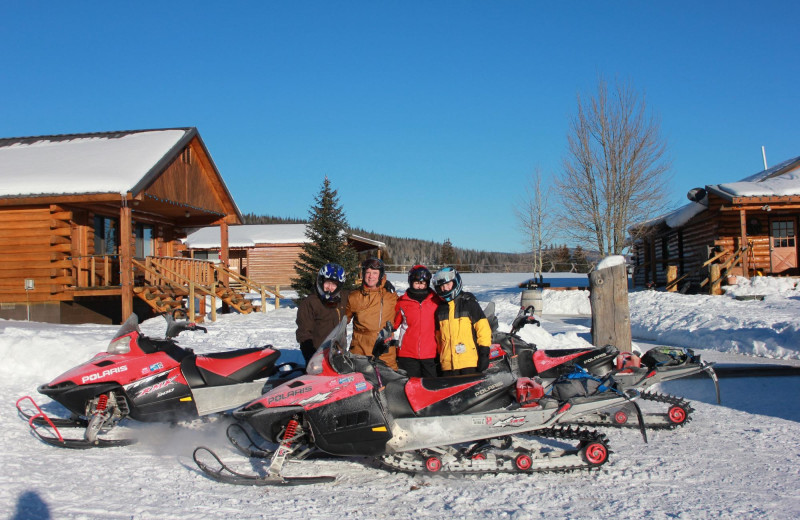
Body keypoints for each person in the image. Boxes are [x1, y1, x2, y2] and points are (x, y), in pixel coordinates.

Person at [431, 266, 492, 376]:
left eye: (448, 284)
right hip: (447, 365)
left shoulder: (469, 304)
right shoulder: (440, 310)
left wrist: (484, 353)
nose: (445, 288)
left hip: (469, 363)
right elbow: (439, 338)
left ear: (455, 282)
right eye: (442, 286)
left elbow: (483, 330)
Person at [346, 257, 398, 369]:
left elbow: (407, 307)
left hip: (384, 351)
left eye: (375, 273)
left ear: (381, 275)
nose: (371, 276)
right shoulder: (354, 296)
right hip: (360, 351)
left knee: (388, 384)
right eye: (368, 273)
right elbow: (340, 320)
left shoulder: (390, 296)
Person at [392, 264, 439, 378]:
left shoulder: (436, 301)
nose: (420, 286)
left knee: (431, 388)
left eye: (423, 283)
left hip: (430, 354)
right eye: (417, 283)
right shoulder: (402, 302)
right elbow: (393, 324)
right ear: (411, 282)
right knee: (410, 388)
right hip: (407, 354)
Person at [295, 263, 348, 363]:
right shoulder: (310, 303)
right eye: (327, 282)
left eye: (334, 284)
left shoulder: (342, 299)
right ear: (320, 281)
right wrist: (311, 356)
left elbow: (360, 295)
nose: (329, 287)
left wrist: (383, 286)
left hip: (338, 355)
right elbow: (304, 333)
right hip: (318, 357)